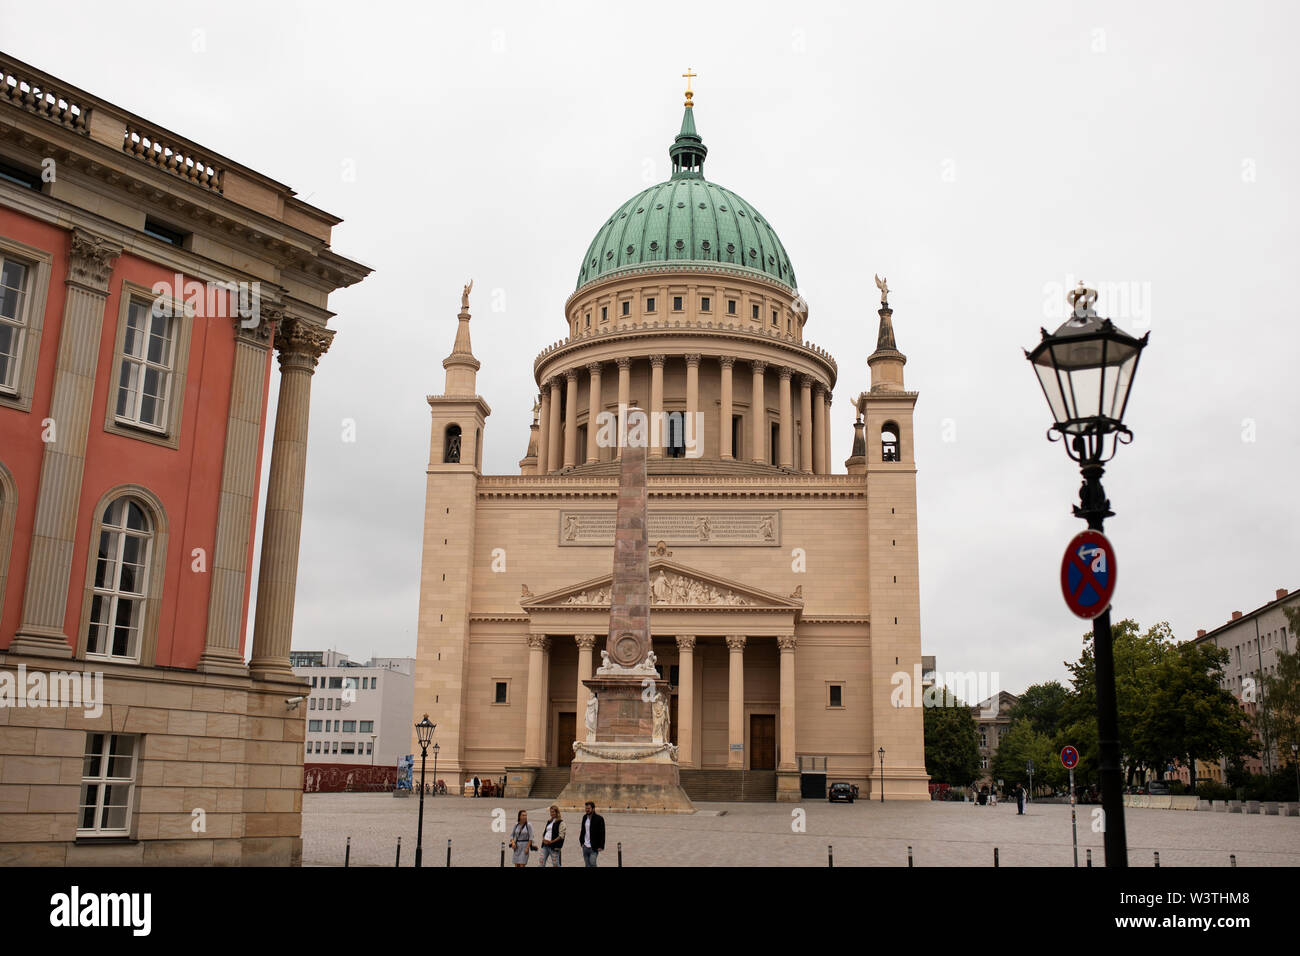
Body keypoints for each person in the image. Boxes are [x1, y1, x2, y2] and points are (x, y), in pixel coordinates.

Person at [579, 801, 605, 867]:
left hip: (594, 847)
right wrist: (581, 841)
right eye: (586, 808)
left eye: (588, 808)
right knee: (587, 865)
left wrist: (601, 846)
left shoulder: (599, 819)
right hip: (585, 846)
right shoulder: (584, 817)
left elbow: (602, 833)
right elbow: (583, 830)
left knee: (592, 863)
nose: (587, 810)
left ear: (593, 809)